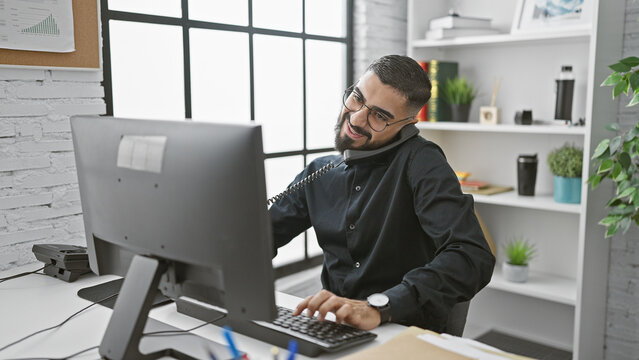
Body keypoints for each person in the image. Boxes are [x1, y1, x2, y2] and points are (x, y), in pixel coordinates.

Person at [268, 55, 495, 332]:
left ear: (408, 124)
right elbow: (261, 235)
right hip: (334, 327)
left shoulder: (422, 162)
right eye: (356, 98)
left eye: (379, 115)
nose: (356, 118)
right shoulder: (320, 172)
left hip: (401, 329)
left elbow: (472, 257)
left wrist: (381, 305)